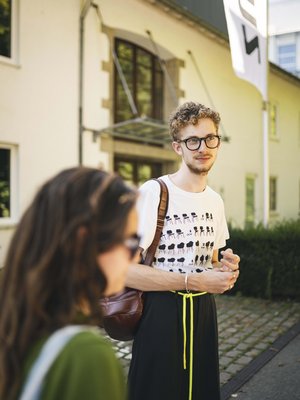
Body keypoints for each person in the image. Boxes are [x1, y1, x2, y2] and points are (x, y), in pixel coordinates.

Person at [127, 102, 240, 400]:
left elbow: (211, 262)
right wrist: (192, 281)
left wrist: (224, 269)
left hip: (203, 314)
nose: (203, 147)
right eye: (193, 140)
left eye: (210, 138)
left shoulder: (215, 200)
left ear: (217, 142)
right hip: (159, 313)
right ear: (178, 147)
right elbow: (123, 270)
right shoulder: (153, 192)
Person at [0, 167, 139, 400]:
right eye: (130, 240)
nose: (135, 257)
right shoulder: (86, 355)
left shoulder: (15, 323)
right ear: (83, 243)